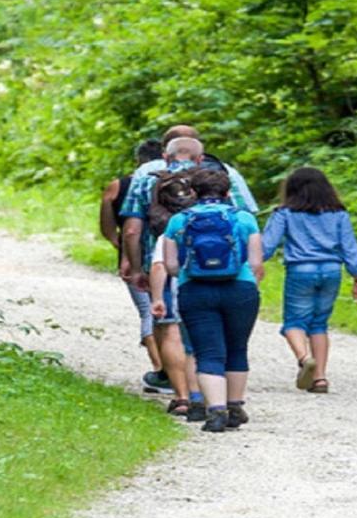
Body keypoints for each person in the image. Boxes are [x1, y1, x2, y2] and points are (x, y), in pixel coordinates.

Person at [120, 137, 256, 419]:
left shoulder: (149, 181)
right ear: (200, 158)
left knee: (182, 336)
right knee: (231, 345)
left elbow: (137, 233)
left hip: (182, 278)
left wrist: (136, 267)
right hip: (235, 281)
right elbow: (253, 248)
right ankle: (228, 404)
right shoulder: (234, 196)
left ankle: (190, 399)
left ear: (165, 157)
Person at [150, 169, 263, 433]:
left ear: (194, 192)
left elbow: (171, 266)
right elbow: (257, 262)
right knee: (237, 348)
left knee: (207, 353)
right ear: (227, 193)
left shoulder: (178, 220)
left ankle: (215, 412)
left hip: (196, 290)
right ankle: (235, 406)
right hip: (240, 288)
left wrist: (195, 272)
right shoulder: (244, 218)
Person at [261, 167, 357, 394]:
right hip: (331, 271)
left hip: (301, 270)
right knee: (319, 323)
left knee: (294, 322)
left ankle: (304, 358)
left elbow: (266, 247)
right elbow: (350, 248)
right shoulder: (338, 213)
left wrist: (253, 262)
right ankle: (320, 378)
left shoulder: (284, 213)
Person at [99, 138, 167, 391]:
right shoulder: (177, 182)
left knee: (147, 310)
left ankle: (160, 369)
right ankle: (176, 370)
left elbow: (108, 225)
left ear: (138, 160)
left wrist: (119, 245)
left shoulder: (119, 185)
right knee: (168, 310)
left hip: (135, 253)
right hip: (171, 255)